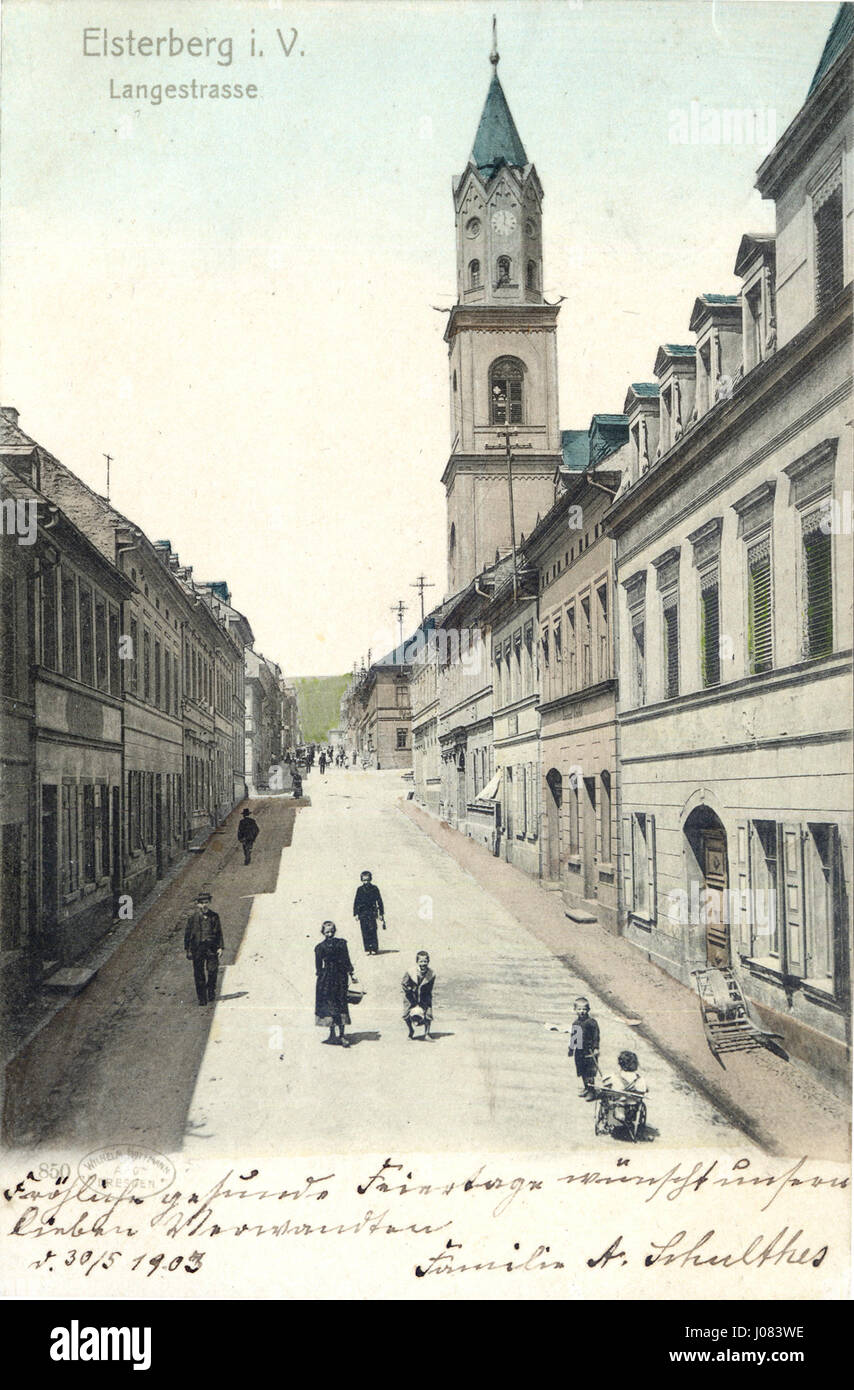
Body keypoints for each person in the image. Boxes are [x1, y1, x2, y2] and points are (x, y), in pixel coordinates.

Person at [315, 921, 358, 1046]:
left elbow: (346, 959)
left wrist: (352, 974)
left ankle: (342, 1035)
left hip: (340, 977)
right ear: (322, 932)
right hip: (327, 979)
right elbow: (318, 966)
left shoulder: (341, 944)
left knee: (341, 1004)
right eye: (327, 932)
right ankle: (332, 1033)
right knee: (329, 1005)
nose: (330, 934)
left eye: (332, 931)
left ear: (335, 931)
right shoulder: (319, 947)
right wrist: (321, 979)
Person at [184, 891, 223, 1007]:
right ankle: (202, 998)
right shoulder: (192, 918)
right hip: (198, 948)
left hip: (211, 948)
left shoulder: (214, 916)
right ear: (198, 905)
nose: (204, 905)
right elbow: (187, 935)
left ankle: (211, 991)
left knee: (212, 970)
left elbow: (219, 932)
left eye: (206, 902)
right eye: (202, 903)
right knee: (199, 974)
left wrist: (220, 947)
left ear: (209, 903)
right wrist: (188, 949)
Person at [599, 1050, 648, 1132]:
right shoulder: (640, 1079)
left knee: (606, 1095)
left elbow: (604, 1083)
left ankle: (607, 1120)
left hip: (616, 1102)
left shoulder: (613, 1076)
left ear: (620, 1064)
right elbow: (644, 1090)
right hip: (632, 1103)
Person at [568, 996, 600, 1098]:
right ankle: (586, 1088)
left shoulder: (591, 1022)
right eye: (579, 1009)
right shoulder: (575, 1023)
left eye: (584, 1009)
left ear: (588, 1010)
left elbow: (596, 1036)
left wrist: (596, 1048)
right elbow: (573, 1037)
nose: (582, 1011)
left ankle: (592, 1091)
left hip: (589, 1051)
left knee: (590, 1071)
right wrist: (571, 1049)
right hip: (579, 1051)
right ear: (575, 1010)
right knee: (581, 1070)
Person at [402, 951, 436, 1040]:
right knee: (406, 1015)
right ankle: (411, 1031)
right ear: (417, 962)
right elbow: (404, 984)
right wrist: (410, 991)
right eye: (421, 961)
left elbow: (430, 987)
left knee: (428, 1014)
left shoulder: (431, 974)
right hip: (410, 996)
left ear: (428, 961)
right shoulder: (410, 972)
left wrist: (424, 998)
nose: (423, 964)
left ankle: (427, 1034)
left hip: (424, 996)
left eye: (425, 961)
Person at [353, 870, 385, 955]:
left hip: (372, 912)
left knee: (373, 929)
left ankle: (374, 948)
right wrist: (356, 913)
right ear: (361, 880)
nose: (366, 882)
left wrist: (381, 913)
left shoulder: (374, 888)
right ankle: (368, 948)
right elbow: (356, 901)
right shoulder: (359, 889)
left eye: (367, 880)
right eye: (364, 880)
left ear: (370, 879)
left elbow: (379, 901)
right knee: (364, 930)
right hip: (362, 913)